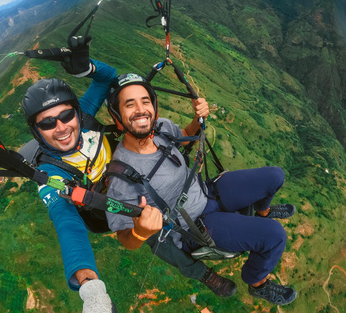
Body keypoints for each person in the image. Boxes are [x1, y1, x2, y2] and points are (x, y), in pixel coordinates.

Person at [105, 73, 298, 305]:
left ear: (153, 106)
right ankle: (257, 282)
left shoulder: (162, 128)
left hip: (207, 191)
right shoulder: (121, 176)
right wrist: (140, 232)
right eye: (129, 104)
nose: (140, 109)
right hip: (193, 226)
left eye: (145, 101)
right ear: (117, 116)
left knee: (275, 176)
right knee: (275, 236)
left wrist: (199, 118)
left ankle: (263, 211)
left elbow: (185, 138)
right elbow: (123, 237)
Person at [20, 35, 119, 312]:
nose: (61, 127)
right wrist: (89, 285)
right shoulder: (49, 169)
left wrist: (86, 67)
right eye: (48, 123)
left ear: (76, 112)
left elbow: (107, 77)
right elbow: (66, 221)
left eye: (65, 116)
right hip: (107, 211)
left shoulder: (85, 117)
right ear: (36, 131)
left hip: (126, 182)